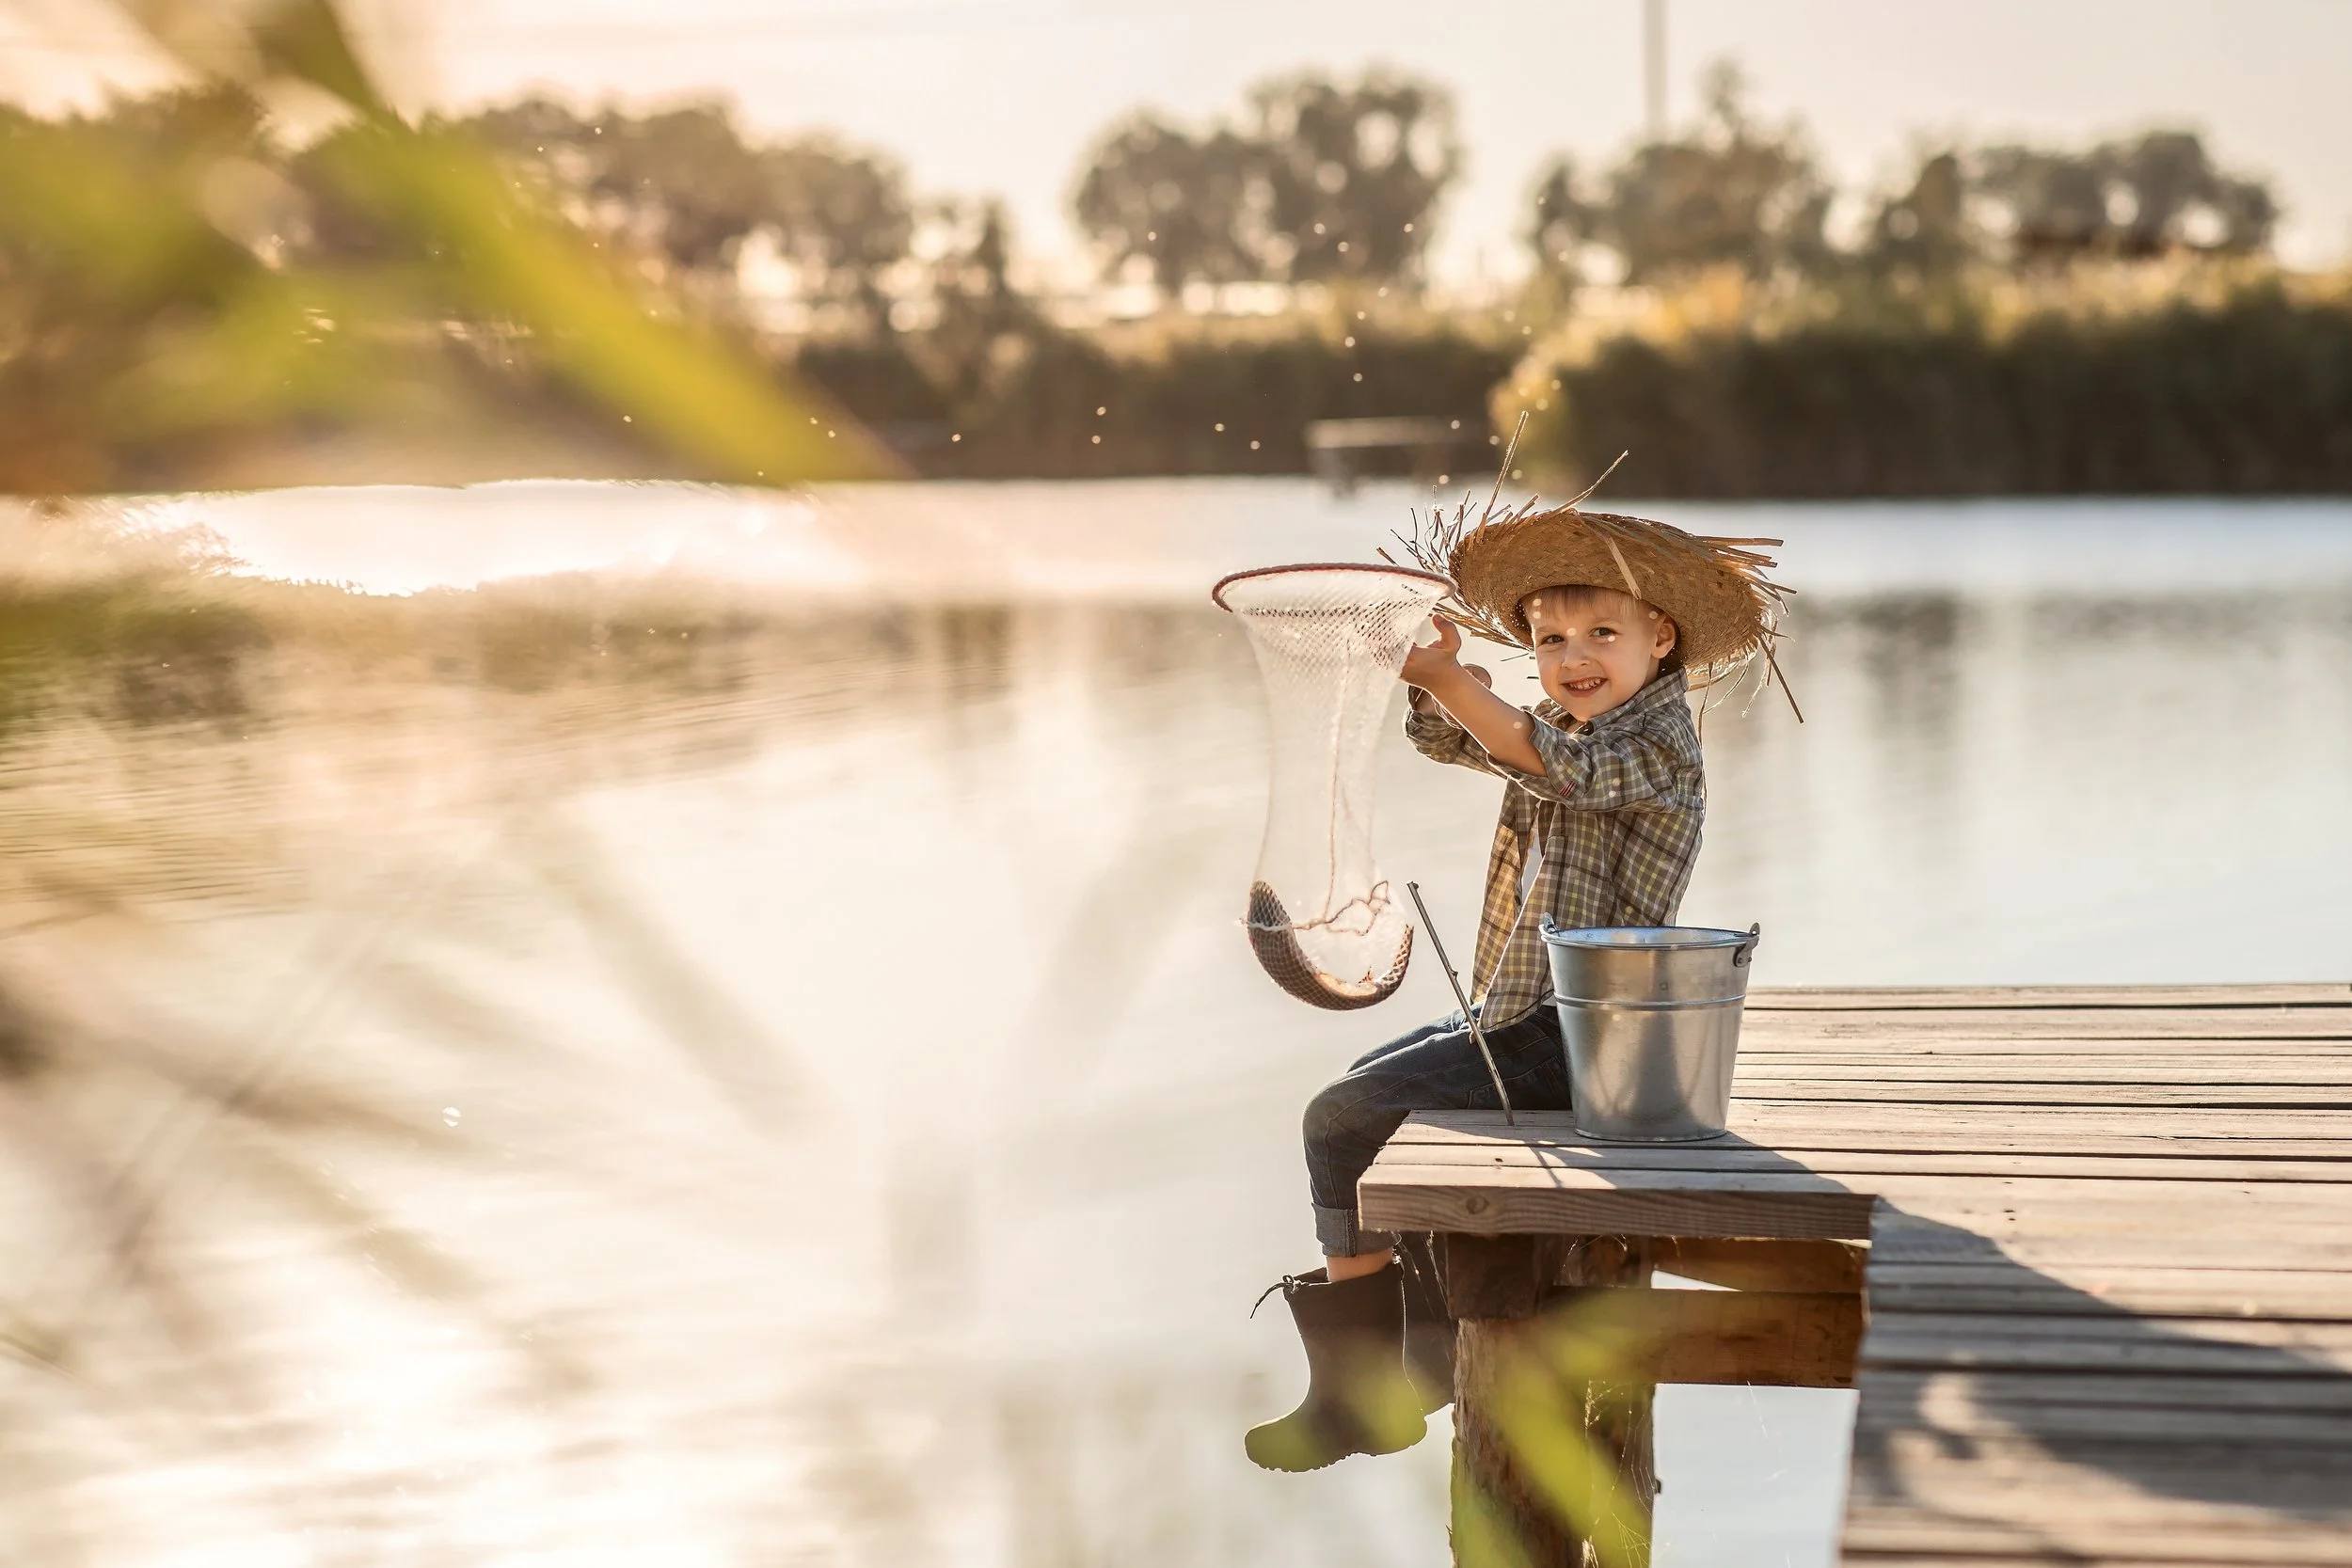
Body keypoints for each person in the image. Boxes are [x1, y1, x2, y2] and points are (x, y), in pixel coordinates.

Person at [1243, 503, 1786, 1472]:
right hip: (1524, 1009)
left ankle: (1363, 1384)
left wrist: (1455, 681)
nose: (1574, 656)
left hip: (1585, 1039)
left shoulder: (1652, 742)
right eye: (1550, 638)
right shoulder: (1572, 719)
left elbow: (1559, 770)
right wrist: (1433, 672)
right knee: (1372, 1083)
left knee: (1337, 1117)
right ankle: (1417, 1350)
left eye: (1601, 634)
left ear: (1660, 637)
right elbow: (1459, 741)